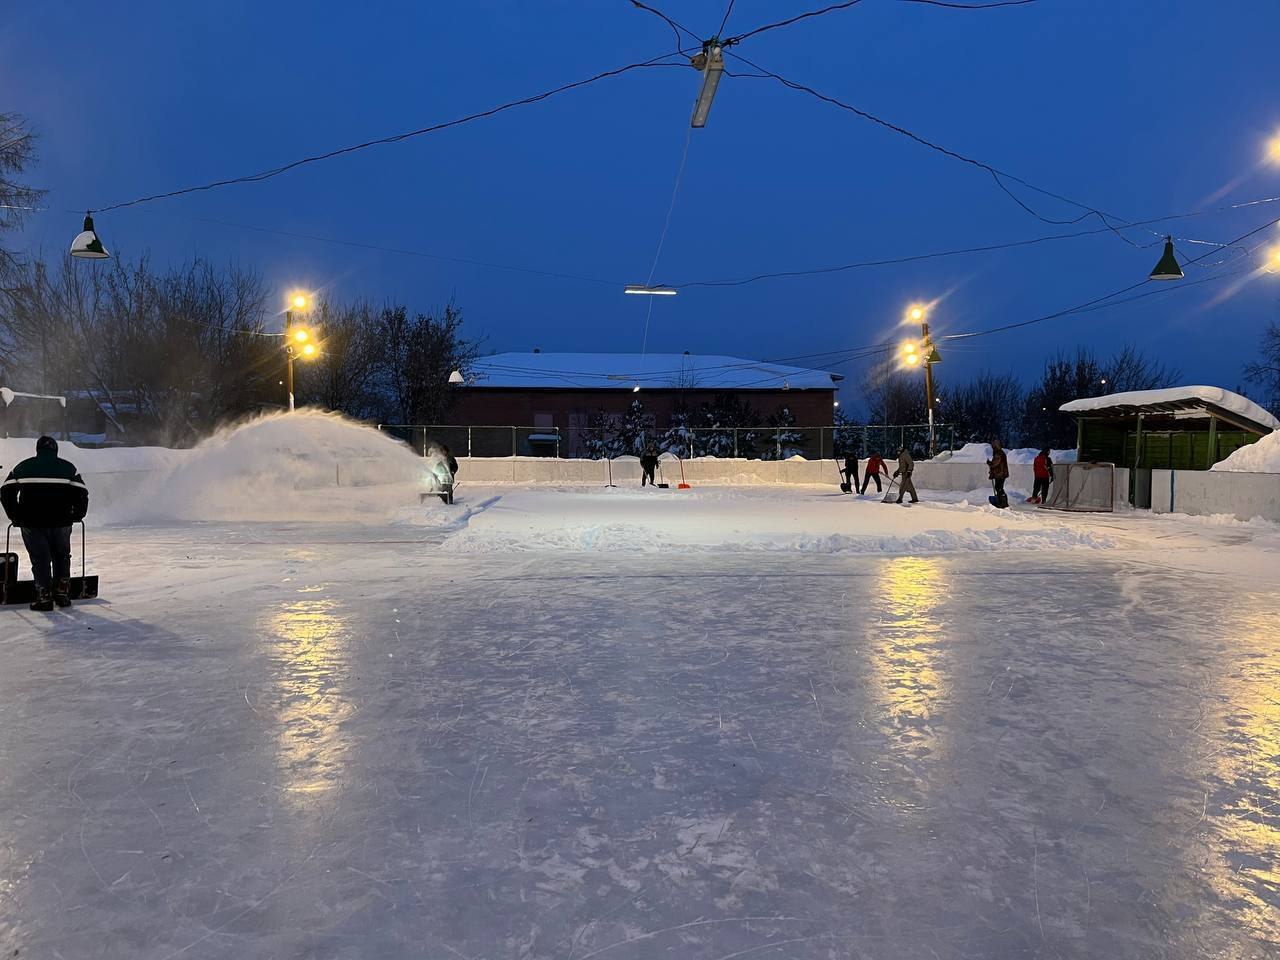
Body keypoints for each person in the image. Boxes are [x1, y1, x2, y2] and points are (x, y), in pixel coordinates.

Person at [1, 436, 89, 611]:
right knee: (62, 556)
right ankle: (62, 595)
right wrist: (77, 514)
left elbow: (5, 492)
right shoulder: (68, 468)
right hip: (62, 522)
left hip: (32, 522)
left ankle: (44, 598)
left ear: (37, 449)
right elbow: (82, 493)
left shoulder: (23, 467)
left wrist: (15, 515)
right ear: (55, 450)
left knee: (40, 559)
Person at [987, 439, 1010, 509]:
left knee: (999, 488)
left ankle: (1003, 503)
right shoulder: (1000, 452)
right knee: (999, 488)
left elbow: (995, 463)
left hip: (1000, 474)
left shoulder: (998, 453)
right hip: (1001, 473)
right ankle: (1001, 501)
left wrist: (989, 463)